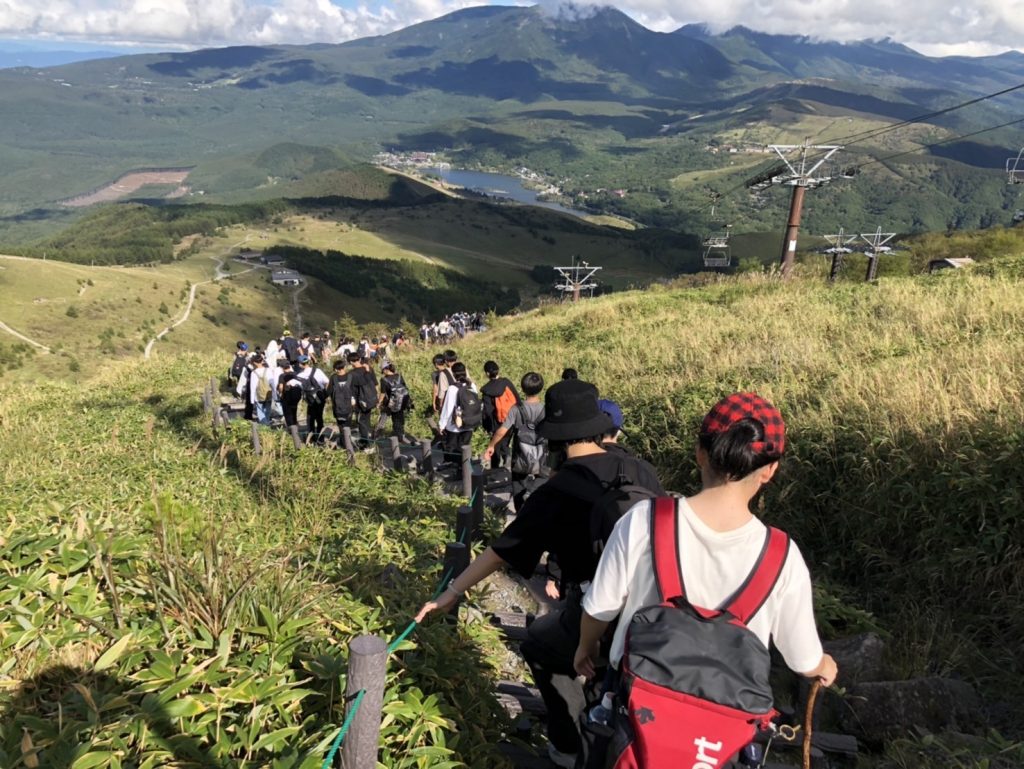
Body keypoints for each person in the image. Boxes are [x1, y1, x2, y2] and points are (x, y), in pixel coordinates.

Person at [417, 379, 666, 768]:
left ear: (554, 437)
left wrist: (451, 592)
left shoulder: (557, 490)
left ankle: (568, 747)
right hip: (655, 610)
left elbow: (501, 551)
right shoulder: (640, 470)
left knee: (538, 645)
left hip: (593, 612)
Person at [574, 392, 838, 722]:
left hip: (638, 709)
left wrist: (586, 647)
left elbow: (600, 606)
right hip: (722, 726)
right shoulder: (782, 556)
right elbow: (802, 659)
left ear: (700, 453)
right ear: (770, 470)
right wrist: (824, 665)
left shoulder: (646, 519)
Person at [482, 371, 546, 512]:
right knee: (542, 478)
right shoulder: (545, 409)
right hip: (541, 453)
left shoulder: (517, 409)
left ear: (522, 388)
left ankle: (520, 511)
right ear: (541, 388)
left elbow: (502, 430)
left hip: (521, 454)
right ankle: (536, 507)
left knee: (518, 483)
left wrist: (491, 445)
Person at [437, 361, 478, 475]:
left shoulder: (452, 388)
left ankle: (461, 470)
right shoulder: (472, 386)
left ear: (454, 374)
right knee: (464, 447)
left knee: (453, 449)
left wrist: (442, 424)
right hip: (469, 423)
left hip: (454, 426)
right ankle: (464, 469)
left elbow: (448, 408)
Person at [480, 360, 520, 470]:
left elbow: (487, 411)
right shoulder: (506, 382)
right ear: (498, 370)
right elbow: (517, 399)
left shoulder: (486, 389)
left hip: (496, 422)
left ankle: (495, 470)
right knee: (506, 442)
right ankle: (507, 459)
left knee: (495, 445)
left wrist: (487, 426)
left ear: (487, 373)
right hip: (511, 419)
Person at [376, 362, 415, 443]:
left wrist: (379, 403)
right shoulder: (399, 376)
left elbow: (383, 393)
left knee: (383, 419)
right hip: (402, 401)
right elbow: (405, 387)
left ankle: (377, 436)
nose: (382, 372)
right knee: (399, 419)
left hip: (389, 403)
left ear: (385, 369)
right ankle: (400, 436)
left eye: (382, 370)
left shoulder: (384, 380)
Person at [296, 355, 330, 439]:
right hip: (320, 397)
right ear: (308, 362)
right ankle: (320, 436)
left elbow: (297, 387)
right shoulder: (317, 371)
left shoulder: (300, 375)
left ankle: (311, 436)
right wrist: (326, 394)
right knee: (319, 416)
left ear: (300, 364)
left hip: (309, 399)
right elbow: (327, 382)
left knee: (310, 416)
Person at [277, 361, 302, 430]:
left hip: (286, 396)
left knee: (287, 413)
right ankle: (295, 425)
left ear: (282, 368)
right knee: (294, 410)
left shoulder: (282, 375)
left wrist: (281, 394)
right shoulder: (295, 374)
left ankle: (291, 428)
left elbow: (281, 387)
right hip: (296, 396)